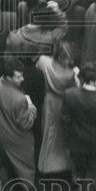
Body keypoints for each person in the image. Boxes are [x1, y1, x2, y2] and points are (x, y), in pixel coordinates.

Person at [0, 57, 38, 191]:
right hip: (18, 142)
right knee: (27, 173)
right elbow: (26, 123)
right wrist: (31, 107)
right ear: (9, 77)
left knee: (4, 171)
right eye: (18, 76)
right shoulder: (19, 99)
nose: (22, 79)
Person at [35, 40, 77, 177]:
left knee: (47, 132)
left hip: (48, 102)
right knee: (60, 135)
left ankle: (44, 164)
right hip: (63, 103)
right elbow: (75, 90)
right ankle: (62, 165)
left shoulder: (43, 62)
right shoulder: (70, 74)